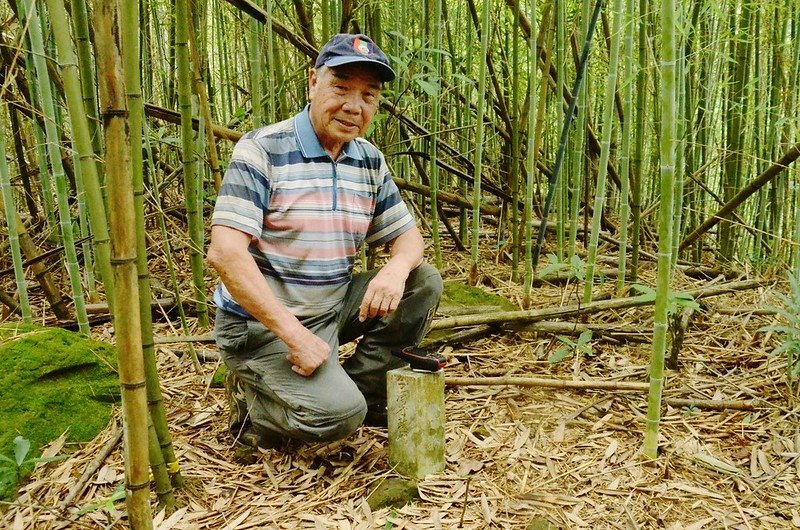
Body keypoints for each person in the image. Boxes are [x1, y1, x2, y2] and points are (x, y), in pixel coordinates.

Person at [207, 33, 443, 449]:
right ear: (312, 82)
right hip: (263, 325)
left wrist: (394, 268)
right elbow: (225, 254)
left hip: (331, 306)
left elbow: (408, 238)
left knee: (421, 281)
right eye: (341, 88)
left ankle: (362, 394)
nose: (354, 106)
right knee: (336, 416)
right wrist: (294, 336)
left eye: (369, 95)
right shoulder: (262, 149)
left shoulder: (367, 158)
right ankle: (254, 410)